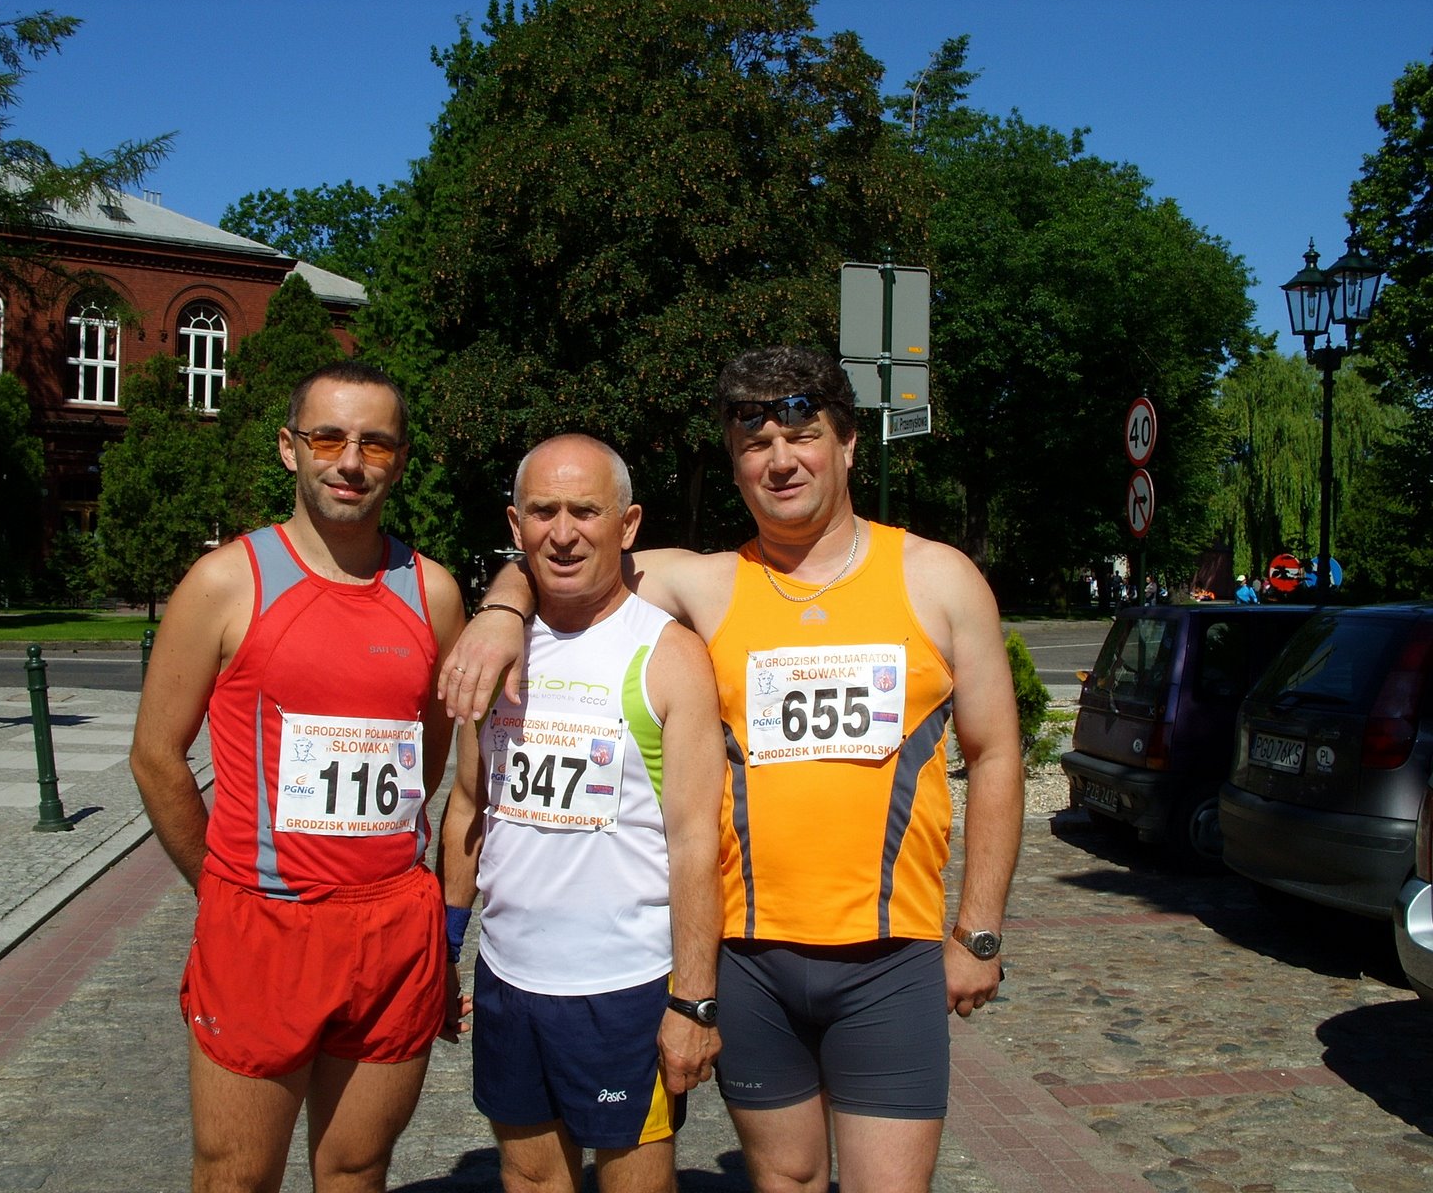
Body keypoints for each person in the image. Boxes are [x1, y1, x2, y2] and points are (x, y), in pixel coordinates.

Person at [441, 346, 1024, 1193]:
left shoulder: (938, 578)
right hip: (750, 958)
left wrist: (979, 930)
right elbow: (564, 551)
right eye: (755, 446)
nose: (780, 461)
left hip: (889, 955)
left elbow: (996, 753)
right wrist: (501, 608)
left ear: (848, 443)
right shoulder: (706, 582)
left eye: (802, 436)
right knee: (785, 1179)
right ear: (736, 463)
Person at [130, 360, 467, 1193]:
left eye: (375, 444)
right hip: (262, 926)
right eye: (328, 438)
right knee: (237, 1174)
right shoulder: (225, 582)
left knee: (357, 1168)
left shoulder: (432, 593)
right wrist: (219, 884)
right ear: (290, 448)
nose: (350, 461)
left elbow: (425, 758)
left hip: (393, 930)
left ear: (399, 459)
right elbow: (156, 756)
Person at [440, 434, 725, 1193]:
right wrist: (445, 946)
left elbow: (696, 843)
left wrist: (693, 1001)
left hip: (626, 987)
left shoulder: (666, 654)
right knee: (530, 1178)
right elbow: (469, 803)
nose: (563, 533)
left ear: (627, 525)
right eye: (543, 512)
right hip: (510, 979)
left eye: (585, 512)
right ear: (516, 524)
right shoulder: (493, 648)